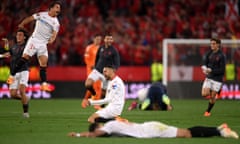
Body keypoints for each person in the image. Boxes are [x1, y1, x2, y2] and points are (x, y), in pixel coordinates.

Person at [6, 1, 62, 91]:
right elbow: (30, 18)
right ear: (51, 8)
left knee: (43, 64)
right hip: (34, 40)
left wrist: (52, 40)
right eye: (57, 7)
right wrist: (22, 24)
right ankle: (12, 76)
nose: (58, 9)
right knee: (25, 58)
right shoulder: (42, 15)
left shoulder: (56, 23)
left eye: (59, 8)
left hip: (43, 44)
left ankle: (44, 84)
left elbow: (54, 34)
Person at [68, 119, 239, 139]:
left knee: (186, 134)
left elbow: (96, 133)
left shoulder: (109, 125)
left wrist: (77, 135)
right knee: (186, 133)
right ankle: (219, 130)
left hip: (151, 130)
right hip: (149, 127)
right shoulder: (113, 123)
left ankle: (220, 131)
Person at [82, 34, 120, 108]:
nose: (109, 40)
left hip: (106, 74)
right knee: (88, 84)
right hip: (97, 70)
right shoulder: (101, 48)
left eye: (110, 39)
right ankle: (93, 93)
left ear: (112, 41)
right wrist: (95, 67)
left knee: (103, 92)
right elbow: (97, 58)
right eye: (107, 39)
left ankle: (102, 107)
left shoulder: (114, 50)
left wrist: (112, 71)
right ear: (104, 40)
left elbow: (117, 63)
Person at [1, 29, 30, 118]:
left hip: (23, 71)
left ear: (24, 37)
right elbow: (7, 54)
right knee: (13, 94)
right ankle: (25, 99)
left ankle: (25, 113)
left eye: (20, 35)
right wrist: (2, 53)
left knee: (22, 91)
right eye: (17, 35)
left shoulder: (27, 46)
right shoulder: (14, 47)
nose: (18, 36)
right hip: (13, 73)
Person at [201, 38, 226, 117]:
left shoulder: (222, 56)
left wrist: (211, 70)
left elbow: (222, 70)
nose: (212, 45)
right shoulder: (209, 53)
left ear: (218, 44)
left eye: (214, 43)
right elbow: (205, 63)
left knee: (212, 97)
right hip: (209, 77)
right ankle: (216, 93)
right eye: (211, 43)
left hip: (217, 79)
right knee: (204, 94)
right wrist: (204, 68)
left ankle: (207, 111)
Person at [82, 34, 102, 109]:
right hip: (91, 70)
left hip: (99, 70)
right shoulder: (89, 48)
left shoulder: (101, 48)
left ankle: (92, 102)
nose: (98, 41)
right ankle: (91, 102)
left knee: (97, 87)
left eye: (100, 39)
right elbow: (86, 59)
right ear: (94, 39)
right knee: (93, 86)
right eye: (97, 39)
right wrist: (91, 65)